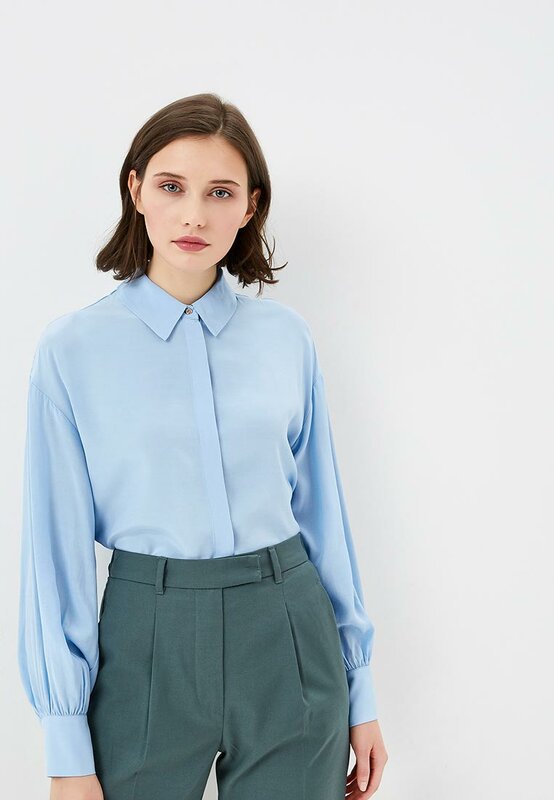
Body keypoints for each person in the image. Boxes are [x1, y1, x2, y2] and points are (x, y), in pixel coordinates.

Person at [17, 92, 388, 800]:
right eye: (171, 186)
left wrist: (360, 688)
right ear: (135, 191)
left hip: (289, 634)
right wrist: (67, 751)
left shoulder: (286, 339)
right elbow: (54, 552)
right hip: (145, 642)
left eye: (220, 192)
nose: (194, 215)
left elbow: (324, 519)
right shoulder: (73, 350)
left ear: (250, 206)